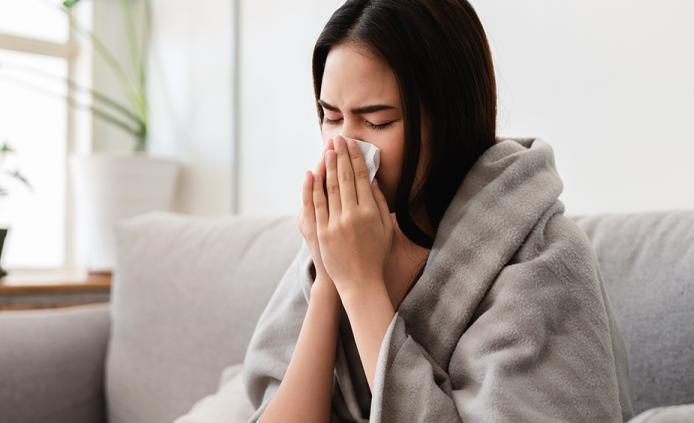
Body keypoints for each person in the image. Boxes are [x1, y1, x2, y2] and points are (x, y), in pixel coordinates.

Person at [242, 1, 634, 422]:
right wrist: (329, 280)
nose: (344, 149)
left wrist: (362, 290)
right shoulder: (345, 237)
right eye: (331, 117)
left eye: (377, 122)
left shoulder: (544, 261)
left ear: (449, 120)